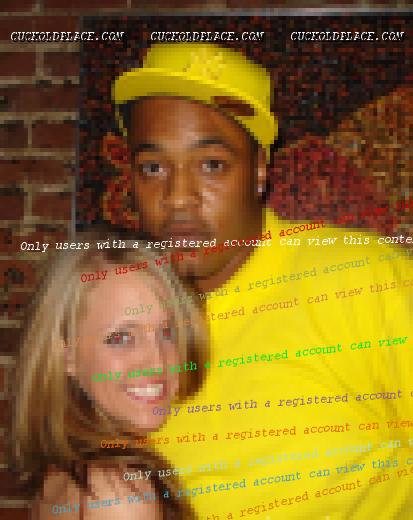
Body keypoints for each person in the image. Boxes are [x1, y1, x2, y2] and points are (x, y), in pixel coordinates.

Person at [101, 43, 412, 518]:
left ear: (260, 170)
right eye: (153, 168)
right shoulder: (111, 318)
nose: (178, 197)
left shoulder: (361, 278)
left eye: (211, 164)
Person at [10, 245, 206, 519]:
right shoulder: (116, 496)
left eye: (168, 332)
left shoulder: (69, 474)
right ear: (67, 356)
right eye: (121, 337)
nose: (159, 362)